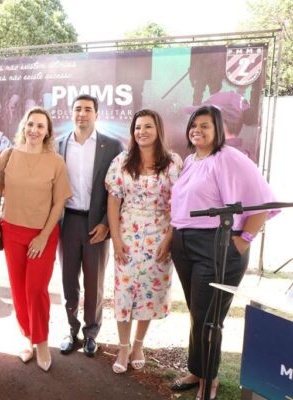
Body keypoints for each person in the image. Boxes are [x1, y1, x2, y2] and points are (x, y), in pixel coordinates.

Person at [169, 105, 278, 400]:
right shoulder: (191, 160)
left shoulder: (229, 157)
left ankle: (210, 378)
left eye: (205, 125)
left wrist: (243, 240)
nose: (197, 130)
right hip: (185, 244)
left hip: (216, 247)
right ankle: (197, 370)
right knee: (197, 313)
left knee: (208, 317)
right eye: (194, 125)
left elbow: (262, 202)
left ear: (218, 129)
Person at [0, 107, 72, 372]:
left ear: (47, 131)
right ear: (23, 127)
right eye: (30, 124)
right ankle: (28, 338)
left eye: (40, 126)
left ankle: (42, 342)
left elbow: (59, 202)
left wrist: (43, 236)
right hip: (12, 231)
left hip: (43, 234)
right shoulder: (8, 156)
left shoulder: (56, 162)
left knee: (36, 289)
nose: (34, 130)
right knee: (18, 290)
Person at [105, 109, 182, 373]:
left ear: (158, 130)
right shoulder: (121, 161)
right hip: (127, 235)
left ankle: (138, 345)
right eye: (138, 127)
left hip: (159, 237)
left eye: (148, 126)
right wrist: (116, 239)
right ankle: (123, 347)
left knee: (150, 293)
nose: (142, 132)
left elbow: (179, 204)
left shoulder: (173, 163)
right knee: (124, 293)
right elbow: (113, 202)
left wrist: (169, 238)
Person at [56, 94, 123, 357]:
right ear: (71, 113)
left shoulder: (112, 146)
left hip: (97, 224)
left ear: (97, 114)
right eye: (77, 109)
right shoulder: (59, 145)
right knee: (68, 280)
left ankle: (91, 333)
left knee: (94, 283)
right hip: (68, 221)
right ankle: (71, 329)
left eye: (87, 109)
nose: (82, 113)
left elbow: (119, 190)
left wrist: (107, 224)